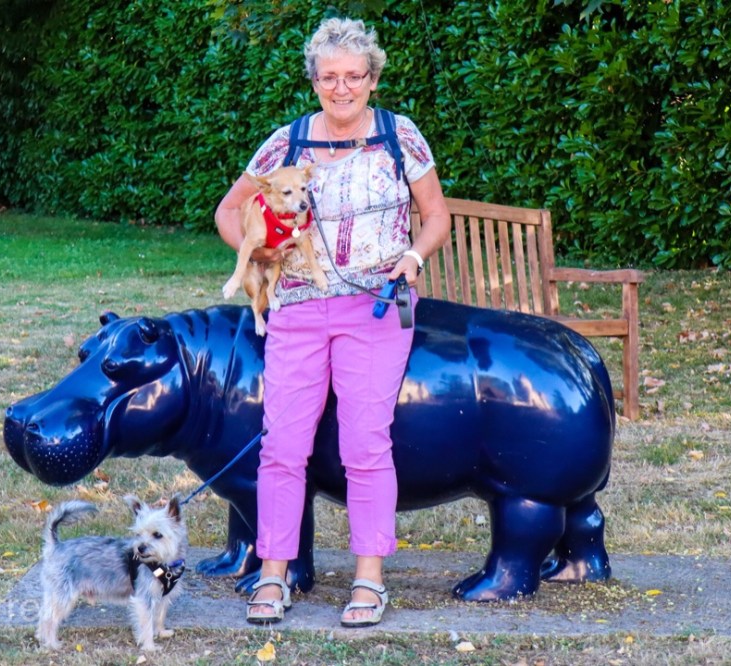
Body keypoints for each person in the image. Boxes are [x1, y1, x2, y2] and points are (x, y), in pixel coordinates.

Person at [215, 16, 451, 627]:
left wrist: (413, 257)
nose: (341, 87)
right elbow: (228, 211)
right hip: (296, 307)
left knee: (365, 444)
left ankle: (369, 580)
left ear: (372, 78)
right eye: (328, 77)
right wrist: (260, 252)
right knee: (282, 446)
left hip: (376, 306)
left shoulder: (401, 136)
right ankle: (273, 574)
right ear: (314, 81)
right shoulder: (286, 142)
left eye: (353, 76)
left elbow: (436, 216)